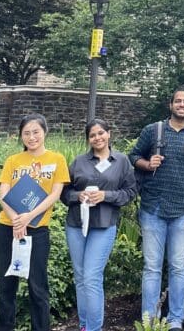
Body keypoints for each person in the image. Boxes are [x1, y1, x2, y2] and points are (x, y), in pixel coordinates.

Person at [129, 87, 184, 330]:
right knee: (152, 268)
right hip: (153, 208)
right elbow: (132, 156)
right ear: (171, 104)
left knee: (178, 268)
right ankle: (150, 320)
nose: (182, 105)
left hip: (183, 212)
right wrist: (146, 162)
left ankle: (176, 320)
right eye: (178, 101)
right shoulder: (153, 130)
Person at [0, 113, 70, 331]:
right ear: (21, 136)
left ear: (45, 132)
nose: (31, 137)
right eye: (26, 133)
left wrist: (28, 217)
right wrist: (16, 220)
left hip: (37, 230)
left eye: (35, 132)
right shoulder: (13, 161)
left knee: (37, 287)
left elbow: (55, 194)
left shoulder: (57, 159)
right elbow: (3, 193)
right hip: (7, 228)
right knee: (6, 285)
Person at [63, 118, 138, 331]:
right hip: (77, 224)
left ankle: (94, 328)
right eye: (92, 135)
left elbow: (130, 192)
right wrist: (79, 196)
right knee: (80, 277)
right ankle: (84, 325)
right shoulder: (78, 162)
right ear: (88, 139)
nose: (97, 138)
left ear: (109, 133)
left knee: (92, 277)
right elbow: (64, 192)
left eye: (101, 133)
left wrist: (105, 195)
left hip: (103, 225)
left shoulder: (122, 161)